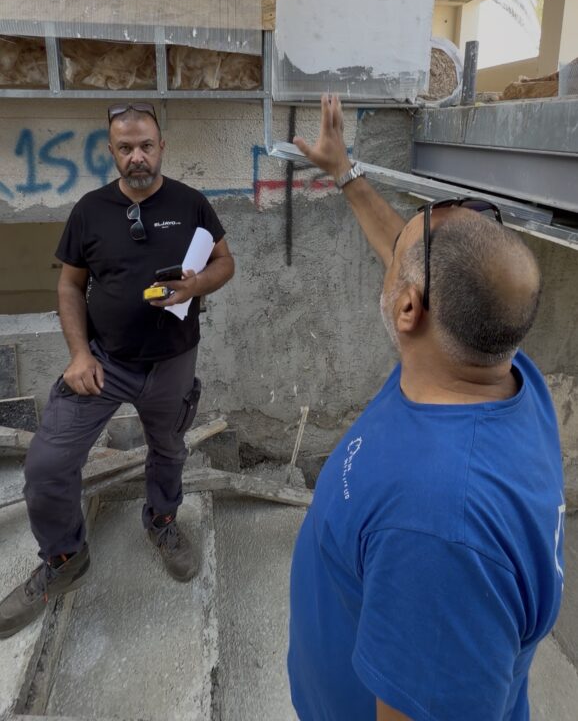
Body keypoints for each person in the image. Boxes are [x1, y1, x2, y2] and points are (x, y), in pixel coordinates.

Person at [288, 95, 565, 721]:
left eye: (396, 266)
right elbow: (417, 262)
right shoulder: (502, 372)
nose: (388, 261)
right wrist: (345, 172)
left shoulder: (439, 529)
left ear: (408, 308)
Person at [0, 102, 234, 639]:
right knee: (47, 464)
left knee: (168, 451)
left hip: (173, 361)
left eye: (146, 146)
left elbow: (225, 261)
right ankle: (64, 559)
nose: (137, 157)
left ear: (161, 147)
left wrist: (197, 285)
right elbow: (69, 285)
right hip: (103, 362)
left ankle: (162, 521)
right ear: (111, 152)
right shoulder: (90, 210)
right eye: (125, 148)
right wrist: (78, 355)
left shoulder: (191, 203)